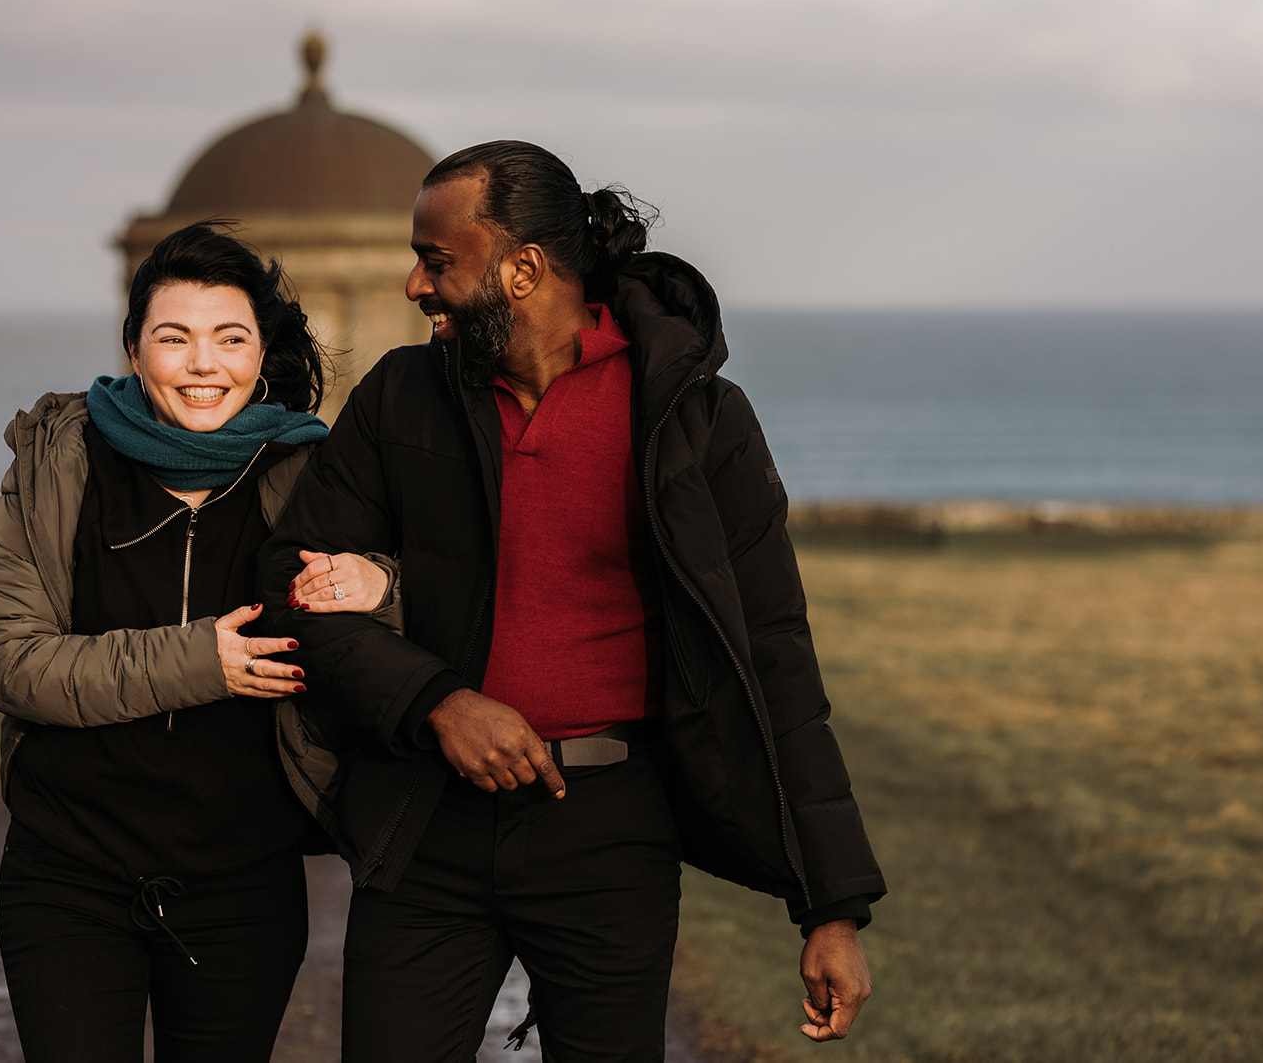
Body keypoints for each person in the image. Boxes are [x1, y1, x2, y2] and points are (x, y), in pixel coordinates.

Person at [258, 141, 887, 1062]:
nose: (413, 285)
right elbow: (290, 582)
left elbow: (774, 655)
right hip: (424, 823)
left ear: (522, 269)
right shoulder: (400, 398)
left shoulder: (697, 420)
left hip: (612, 833)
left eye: (438, 262)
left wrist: (831, 906)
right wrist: (437, 700)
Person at [0, 221, 396, 1063]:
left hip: (244, 882)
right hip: (68, 873)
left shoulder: (314, 474)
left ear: (262, 351)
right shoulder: (59, 460)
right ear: (134, 348)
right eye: (175, 338)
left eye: (230, 339)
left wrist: (385, 582)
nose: (204, 364)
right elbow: (5, 658)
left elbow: (421, 606)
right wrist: (202, 661)